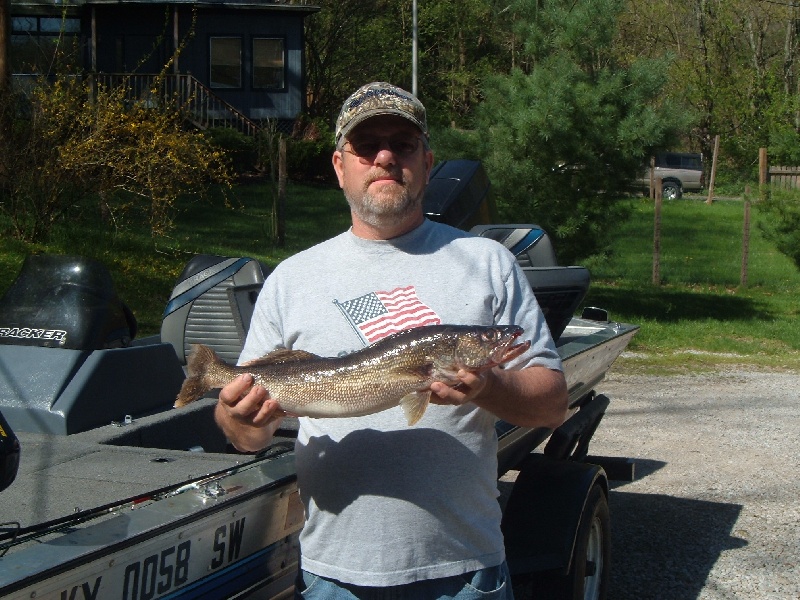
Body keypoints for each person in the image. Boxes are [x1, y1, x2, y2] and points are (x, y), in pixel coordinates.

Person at [214, 81, 569, 599]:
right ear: (340, 166)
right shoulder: (291, 279)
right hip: (335, 575)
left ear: (427, 163)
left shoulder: (488, 263)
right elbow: (244, 436)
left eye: (401, 145)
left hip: (464, 570)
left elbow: (553, 405)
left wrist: (486, 387)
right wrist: (239, 419)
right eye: (366, 146)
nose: (384, 157)